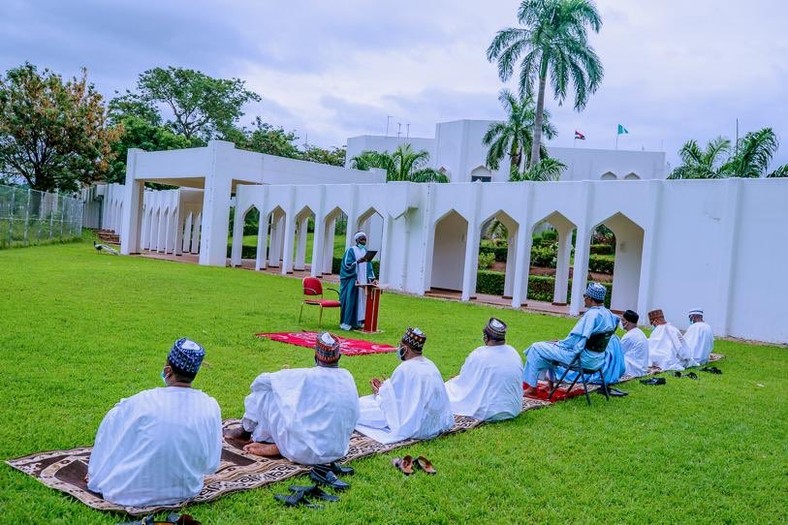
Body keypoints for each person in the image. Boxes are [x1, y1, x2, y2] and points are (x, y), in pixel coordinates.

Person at [87, 338, 222, 507]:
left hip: (127, 494)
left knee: (119, 427)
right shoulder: (210, 405)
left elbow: (111, 441)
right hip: (186, 491)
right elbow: (211, 465)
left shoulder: (141, 401)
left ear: (168, 371)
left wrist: (96, 473)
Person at [224, 332, 359, 465]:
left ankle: (246, 432)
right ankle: (281, 444)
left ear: (316, 355)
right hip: (337, 449)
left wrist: (283, 381)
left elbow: (259, 382)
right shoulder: (347, 376)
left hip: (303, 452)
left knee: (263, 393)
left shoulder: (306, 375)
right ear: (339, 357)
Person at [356, 327, 454, 444]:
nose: (398, 348)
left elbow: (394, 406)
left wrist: (379, 392)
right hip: (437, 423)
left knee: (359, 408)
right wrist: (385, 388)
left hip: (417, 427)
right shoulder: (431, 364)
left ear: (406, 349)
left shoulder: (405, 368)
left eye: (400, 345)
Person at [522, 282, 621, 397]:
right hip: (598, 361)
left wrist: (558, 343)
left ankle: (532, 389)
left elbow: (575, 343)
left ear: (589, 298)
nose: (584, 299)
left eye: (585, 296)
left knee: (536, 348)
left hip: (581, 359)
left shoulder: (592, 315)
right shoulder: (609, 314)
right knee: (548, 351)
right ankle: (550, 386)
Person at [444, 317, 523, 421]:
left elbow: (465, 382)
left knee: (446, 389)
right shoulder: (513, 352)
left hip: (489, 412)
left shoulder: (479, 353)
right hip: (514, 409)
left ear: (486, 337)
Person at [339, 231, 376, 331]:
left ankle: (359, 322)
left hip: (363, 281)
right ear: (357, 240)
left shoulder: (365, 251)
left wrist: (372, 279)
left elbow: (369, 267)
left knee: (362, 302)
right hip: (353, 281)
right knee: (351, 301)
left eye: (365, 239)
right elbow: (346, 265)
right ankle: (348, 323)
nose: (363, 241)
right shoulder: (351, 250)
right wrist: (358, 262)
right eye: (362, 239)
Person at [620, 309, 650, 377]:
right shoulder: (640, 332)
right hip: (641, 369)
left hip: (632, 370)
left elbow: (618, 353)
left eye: (622, 320)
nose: (621, 322)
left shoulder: (629, 336)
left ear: (626, 322)